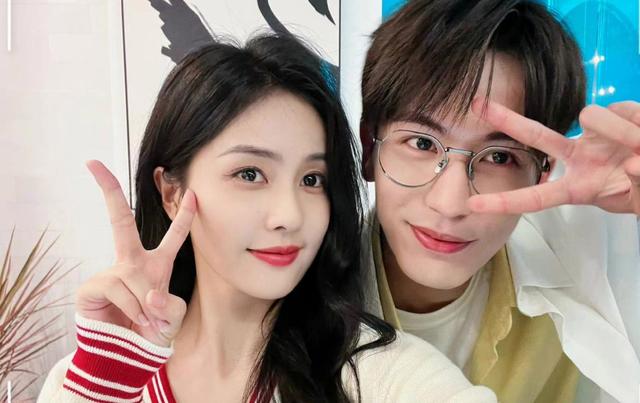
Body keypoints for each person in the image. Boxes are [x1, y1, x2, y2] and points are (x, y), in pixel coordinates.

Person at [37, 33, 496, 402]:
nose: (290, 215)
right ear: (172, 193)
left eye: (312, 179)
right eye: (250, 174)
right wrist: (105, 384)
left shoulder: (380, 375)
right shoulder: (92, 377)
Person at [358, 1, 640, 402]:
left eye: (499, 158)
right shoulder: (293, 298)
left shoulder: (589, 250)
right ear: (370, 148)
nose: (450, 203)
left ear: (543, 172)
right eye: (421, 143)